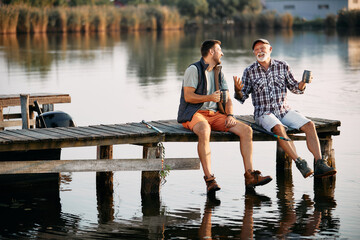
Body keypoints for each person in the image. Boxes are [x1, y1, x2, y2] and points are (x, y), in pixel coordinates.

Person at [177, 39, 272, 195]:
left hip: (216, 115)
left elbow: (227, 99)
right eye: (219, 50)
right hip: (194, 114)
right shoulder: (193, 69)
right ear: (211, 52)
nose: (222, 53)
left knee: (246, 130)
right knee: (204, 129)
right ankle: (209, 179)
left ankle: (250, 176)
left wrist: (229, 115)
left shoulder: (219, 71)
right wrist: (208, 98)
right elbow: (188, 97)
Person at [233, 38, 336, 179]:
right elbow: (241, 97)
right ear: (253, 53)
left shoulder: (283, 66)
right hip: (264, 113)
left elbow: (295, 88)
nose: (260, 51)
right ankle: (300, 163)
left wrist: (303, 83)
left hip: (284, 110)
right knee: (279, 128)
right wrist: (238, 90)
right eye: (256, 49)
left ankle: (319, 163)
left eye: (262, 48)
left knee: (310, 125)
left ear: (270, 50)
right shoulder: (249, 71)